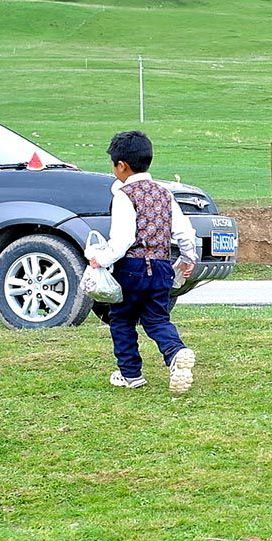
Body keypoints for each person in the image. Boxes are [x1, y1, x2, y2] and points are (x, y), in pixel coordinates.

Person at [89, 131, 199, 393]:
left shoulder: (124, 195)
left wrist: (99, 258)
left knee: (123, 319)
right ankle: (176, 353)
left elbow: (123, 239)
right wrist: (188, 257)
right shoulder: (165, 193)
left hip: (133, 268)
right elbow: (183, 231)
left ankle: (130, 374)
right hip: (162, 267)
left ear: (122, 165)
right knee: (157, 318)